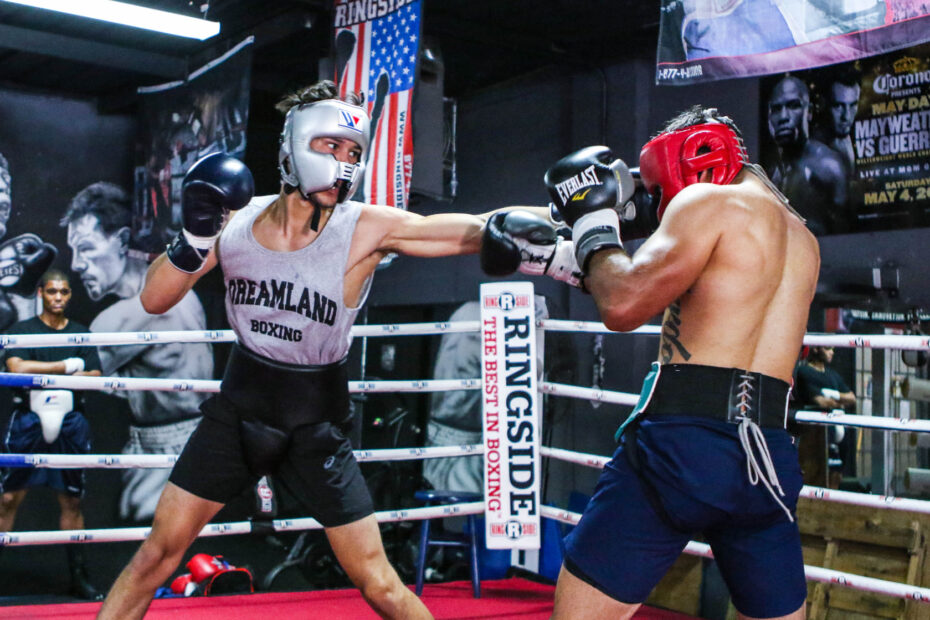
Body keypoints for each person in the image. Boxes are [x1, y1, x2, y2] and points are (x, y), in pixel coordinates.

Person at [96, 79, 574, 620]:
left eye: (354, 152)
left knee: (379, 584)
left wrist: (573, 214)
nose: (344, 164)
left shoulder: (364, 227)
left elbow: (470, 229)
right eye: (330, 147)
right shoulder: (235, 222)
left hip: (314, 425)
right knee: (155, 557)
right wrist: (196, 237)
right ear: (292, 148)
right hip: (237, 413)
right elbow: (155, 299)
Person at [489, 107, 818, 619]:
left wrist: (594, 224)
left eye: (661, 188)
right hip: (767, 460)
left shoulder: (706, 200)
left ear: (694, 161)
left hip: (682, 445)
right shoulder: (803, 239)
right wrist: (559, 258)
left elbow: (622, 304)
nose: (661, 202)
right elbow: (697, 300)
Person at [60, 182, 213, 522]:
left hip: (170, 446)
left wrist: (20, 303)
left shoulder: (128, 315)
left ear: (123, 241)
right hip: (186, 436)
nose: (76, 265)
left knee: (143, 540)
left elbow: (60, 373)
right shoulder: (182, 291)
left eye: (85, 249)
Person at [0, 269, 103, 600]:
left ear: (70, 295)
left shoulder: (81, 333)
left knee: (72, 500)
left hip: (71, 419)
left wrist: (71, 369)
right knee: (6, 499)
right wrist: (68, 366)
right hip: (29, 418)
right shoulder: (23, 331)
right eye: (52, 291)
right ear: (40, 293)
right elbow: (17, 368)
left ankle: (79, 576)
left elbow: (95, 375)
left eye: (64, 292)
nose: (58, 297)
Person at [424, 297, 548, 494]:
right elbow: (527, 373)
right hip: (463, 435)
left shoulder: (465, 311)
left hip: (439, 431)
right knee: (480, 507)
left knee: (444, 507)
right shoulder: (482, 318)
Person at [767, 74, 850, 235]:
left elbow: (845, 234)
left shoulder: (829, 166)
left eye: (793, 106)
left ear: (809, 112)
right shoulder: (769, 172)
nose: (784, 117)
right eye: (776, 109)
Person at [0, 151, 58, 329]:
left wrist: (25, 295)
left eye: (4, 190)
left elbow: (28, 350)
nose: (3, 200)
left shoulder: (8, 263)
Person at [794, 346, 856, 489]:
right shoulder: (805, 372)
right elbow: (821, 401)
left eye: (833, 349)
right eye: (827, 348)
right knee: (817, 474)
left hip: (838, 428)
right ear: (816, 349)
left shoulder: (832, 375)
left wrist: (831, 394)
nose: (832, 352)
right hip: (817, 432)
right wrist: (840, 402)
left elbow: (852, 398)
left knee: (837, 474)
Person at [817, 75, 860, 174]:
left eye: (853, 105)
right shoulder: (813, 152)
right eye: (838, 106)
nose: (846, 116)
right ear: (822, 103)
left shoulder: (853, 137)